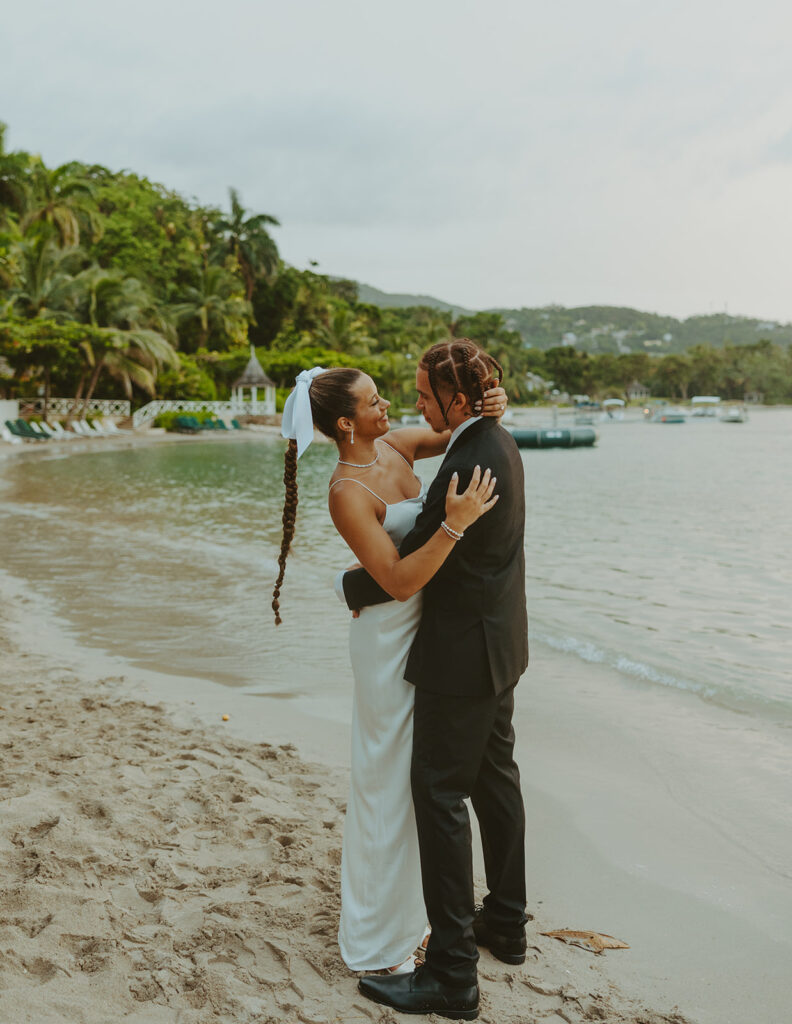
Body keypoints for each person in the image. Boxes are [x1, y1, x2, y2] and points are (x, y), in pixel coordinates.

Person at [271, 362, 507, 976]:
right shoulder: (346, 493)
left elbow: (457, 430)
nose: (391, 407)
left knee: (414, 781)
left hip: (428, 635)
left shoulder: (397, 444)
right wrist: (455, 524)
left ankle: (414, 917)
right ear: (345, 423)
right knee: (384, 783)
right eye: (375, 402)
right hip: (388, 639)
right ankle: (375, 940)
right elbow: (399, 582)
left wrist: (493, 406)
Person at [340, 339, 529, 1022]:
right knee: (495, 780)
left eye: (424, 393)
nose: (414, 403)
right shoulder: (492, 438)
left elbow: (414, 553)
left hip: (461, 655)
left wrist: (348, 583)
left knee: (440, 796)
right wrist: (487, 403)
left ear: (456, 395)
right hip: (503, 643)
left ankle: (453, 976)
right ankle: (505, 923)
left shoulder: (470, 457)